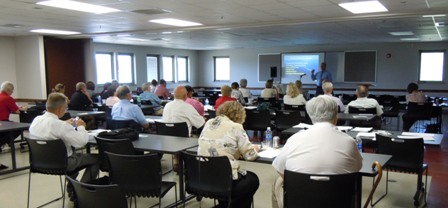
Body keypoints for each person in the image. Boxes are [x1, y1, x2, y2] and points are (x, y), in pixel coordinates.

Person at [271, 96, 362, 208]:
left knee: (278, 181)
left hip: (300, 200)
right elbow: (357, 168)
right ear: (336, 115)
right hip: (339, 201)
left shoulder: (294, 139)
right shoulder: (349, 141)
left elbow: (280, 170)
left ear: (310, 115)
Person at [198, 101, 260, 208]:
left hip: (202, 176)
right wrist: (256, 149)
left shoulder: (209, 123)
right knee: (253, 180)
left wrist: (235, 151)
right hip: (223, 178)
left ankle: (225, 204)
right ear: (240, 114)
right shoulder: (236, 127)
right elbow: (250, 156)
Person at [29, 92, 99, 184]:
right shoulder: (60, 125)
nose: (66, 110)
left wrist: (64, 124)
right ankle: (82, 189)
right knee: (98, 159)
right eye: (65, 108)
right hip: (62, 163)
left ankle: (73, 188)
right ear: (59, 109)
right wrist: (81, 126)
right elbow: (81, 142)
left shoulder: (36, 120)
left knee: (71, 152)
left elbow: (51, 129)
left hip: (39, 162)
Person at [0, 81, 27, 164]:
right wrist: (24, 108)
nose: (12, 92)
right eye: (12, 90)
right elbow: (17, 111)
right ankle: (7, 141)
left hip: (2, 122)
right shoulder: (7, 98)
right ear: (8, 89)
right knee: (20, 127)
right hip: (3, 122)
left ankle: (5, 142)